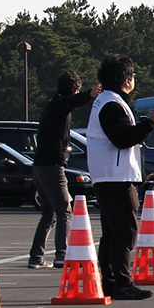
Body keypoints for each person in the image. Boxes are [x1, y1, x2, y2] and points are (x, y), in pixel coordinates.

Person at [86, 55, 154, 301]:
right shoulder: (111, 104)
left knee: (112, 233)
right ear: (126, 80)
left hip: (108, 175)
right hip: (115, 177)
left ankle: (110, 283)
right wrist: (149, 124)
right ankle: (121, 283)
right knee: (123, 233)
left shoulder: (106, 101)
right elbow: (122, 138)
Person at [28, 71, 100, 269]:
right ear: (75, 90)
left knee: (48, 214)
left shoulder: (53, 103)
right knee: (64, 211)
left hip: (39, 167)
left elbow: (70, 102)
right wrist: (89, 95)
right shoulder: (60, 104)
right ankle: (62, 253)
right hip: (52, 167)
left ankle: (36, 256)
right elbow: (71, 102)